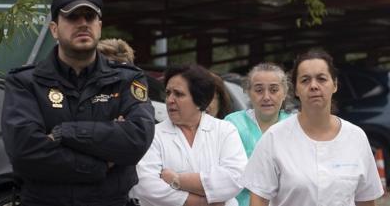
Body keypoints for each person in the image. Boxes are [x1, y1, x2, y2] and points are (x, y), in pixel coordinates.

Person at [1, 0, 155, 206]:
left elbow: (137, 139)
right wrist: (100, 165)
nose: (83, 23)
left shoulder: (126, 79)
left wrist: (65, 132)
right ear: (54, 29)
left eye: (90, 17)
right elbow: (24, 153)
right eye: (73, 17)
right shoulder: (25, 82)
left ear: (99, 26)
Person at [242, 50, 384, 206]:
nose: (314, 86)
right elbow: (259, 199)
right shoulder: (274, 138)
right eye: (305, 80)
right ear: (295, 89)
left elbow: (366, 200)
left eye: (322, 79)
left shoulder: (356, 137)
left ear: (335, 85)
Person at [131, 64, 247, 206]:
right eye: (168, 93)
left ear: (199, 100)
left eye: (178, 94)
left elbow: (235, 179)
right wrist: (201, 202)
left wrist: (177, 180)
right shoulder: (153, 134)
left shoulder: (225, 130)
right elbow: (146, 186)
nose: (170, 100)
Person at [224, 63, 291, 206]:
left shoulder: (295, 126)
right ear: (248, 92)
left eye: (274, 90)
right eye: (259, 90)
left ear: (285, 93)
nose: (266, 97)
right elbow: (226, 174)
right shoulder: (232, 124)